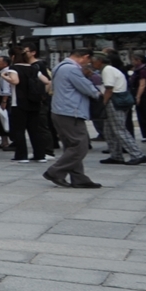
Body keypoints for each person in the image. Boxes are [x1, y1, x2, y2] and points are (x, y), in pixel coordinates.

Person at [47, 48, 103, 189]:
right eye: (88, 60)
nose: (87, 63)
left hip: (61, 110)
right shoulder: (72, 69)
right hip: (71, 111)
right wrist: (97, 92)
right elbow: (88, 89)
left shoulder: (59, 66)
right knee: (80, 145)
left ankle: (78, 178)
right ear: (85, 57)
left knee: (71, 147)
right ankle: (55, 171)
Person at [95, 52, 146, 166]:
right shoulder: (108, 69)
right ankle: (116, 155)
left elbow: (109, 89)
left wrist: (103, 103)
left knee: (119, 130)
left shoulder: (107, 70)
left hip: (115, 101)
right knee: (109, 130)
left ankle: (137, 154)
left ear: (99, 60)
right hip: (118, 99)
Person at [16, 48, 53, 162]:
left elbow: (15, 81)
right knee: (36, 129)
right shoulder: (34, 68)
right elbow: (47, 81)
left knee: (21, 129)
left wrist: (4, 76)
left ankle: (23, 155)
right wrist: (42, 94)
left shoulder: (16, 68)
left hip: (21, 102)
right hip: (35, 100)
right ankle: (41, 154)